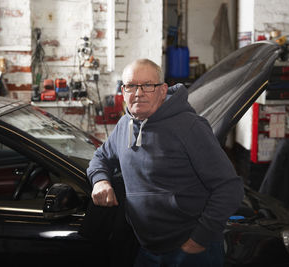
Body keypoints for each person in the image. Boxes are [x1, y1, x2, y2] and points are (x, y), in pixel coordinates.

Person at [87, 58, 244, 267]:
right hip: (146, 247)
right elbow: (100, 157)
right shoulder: (124, 125)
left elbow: (229, 188)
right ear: (123, 91)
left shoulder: (189, 127)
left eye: (147, 85)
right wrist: (100, 181)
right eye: (131, 86)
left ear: (162, 90)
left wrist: (199, 239)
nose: (138, 93)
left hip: (189, 250)